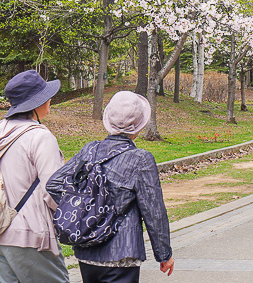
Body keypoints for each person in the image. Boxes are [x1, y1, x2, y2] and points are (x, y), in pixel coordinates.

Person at [46, 91, 174, 282]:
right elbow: (154, 211)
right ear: (139, 126)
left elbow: (55, 183)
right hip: (122, 253)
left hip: (87, 251)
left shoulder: (90, 149)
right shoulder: (140, 159)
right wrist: (164, 254)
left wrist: (86, 208)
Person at [0, 70, 67, 283]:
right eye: (45, 96)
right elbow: (54, 189)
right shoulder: (40, 137)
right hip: (31, 236)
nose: (49, 100)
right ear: (35, 104)